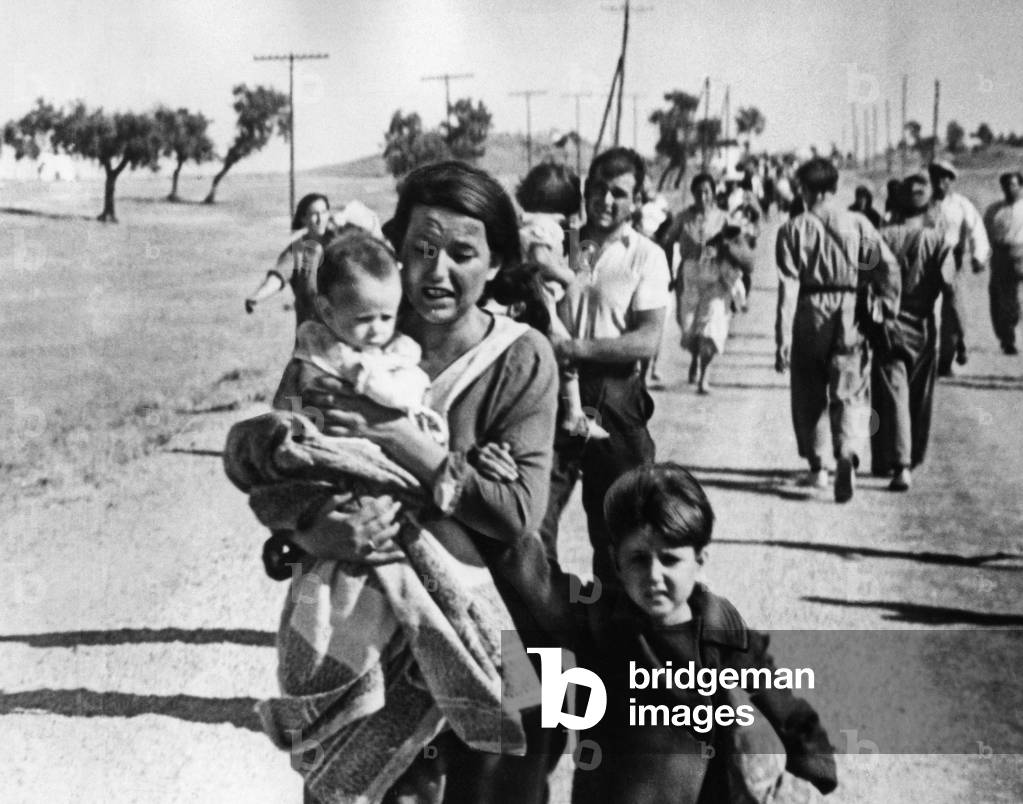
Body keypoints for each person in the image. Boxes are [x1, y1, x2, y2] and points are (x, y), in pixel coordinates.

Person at [268, 161, 571, 804]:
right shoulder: (352, 337)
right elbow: (277, 460)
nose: (437, 272)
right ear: (394, 251)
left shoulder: (520, 357)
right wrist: (316, 526)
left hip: (499, 629)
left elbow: (515, 514)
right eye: (421, 250)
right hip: (369, 629)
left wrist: (401, 439)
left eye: (463, 253)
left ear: (495, 264)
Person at [570, 463, 838, 803]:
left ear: (700, 559)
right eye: (638, 558)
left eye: (670, 559)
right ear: (616, 561)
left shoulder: (725, 642)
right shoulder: (599, 627)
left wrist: (813, 778)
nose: (654, 575)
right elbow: (524, 570)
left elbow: (791, 714)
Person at [540, 147, 671, 585]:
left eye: (619, 193)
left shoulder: (646, 255)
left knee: (622, 531)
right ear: (585, 190)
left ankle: (616, 641)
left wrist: (576, 347)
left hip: (615, 398)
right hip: (553, 395)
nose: (607, 200)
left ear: (636, 200)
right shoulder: (563, 245)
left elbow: (646, 339)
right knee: (531, 525)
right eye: (598, 189)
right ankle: (549, 637)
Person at [775, 158, 900, 502]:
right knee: (852, 388)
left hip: (809, 310)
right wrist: (887, 310)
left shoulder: (792, 229)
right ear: (833, 189)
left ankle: (819, 468)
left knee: (809, 389)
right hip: (850, 310)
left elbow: (788, 286)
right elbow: (885, 268)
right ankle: (847, 451)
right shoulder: (857, 224)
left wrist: (782, 338)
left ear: (802, 190)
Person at [510, 162, 609, 439]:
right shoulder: (547, 227)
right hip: (542, 301)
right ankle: (574, 415)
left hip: (524, 299)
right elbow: (541, 259)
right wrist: (567, 277)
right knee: (566, 354)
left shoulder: (524, 222)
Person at [870, 175, 956, 491]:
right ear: (928, 205)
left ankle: (896, 462)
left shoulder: (876, 237)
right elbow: (951, 291)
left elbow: (861, 280)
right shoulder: (940, 241)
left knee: (893, 395)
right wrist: (955, 337)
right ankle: (906, 462)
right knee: (917, 400)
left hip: (888, 327)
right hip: (923, 328)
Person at [244, 193, 384, 325]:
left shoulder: (341, 241)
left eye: (323, 213)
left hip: (344, 329)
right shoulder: (298, 248)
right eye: (313, 214)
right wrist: (257, 297)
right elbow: (278, 276)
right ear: (303, 219)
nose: (319, 219)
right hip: (311, 332)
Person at [924, 160, 991, 375]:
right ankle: (926, 361)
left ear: (952, 181)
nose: (941, 182)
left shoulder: (961, 204)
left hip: (953, 261)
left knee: (954, 311)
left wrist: (979, 256)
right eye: (937, 177)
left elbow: (977, 230)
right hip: (926, 262)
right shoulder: (924, 204)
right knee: (926, 312)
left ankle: (949, 356)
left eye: (946, 178)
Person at [661, 173, 729, 383]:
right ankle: (695, 357)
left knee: (709, 324)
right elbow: (667, 241)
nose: (703, 196)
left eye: (707, 192)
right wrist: (669, 272)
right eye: (698, 192)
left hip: (713, 275)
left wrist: (723, 256)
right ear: (693, 194)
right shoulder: (683, 217)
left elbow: (736, 245)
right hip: (688, 273)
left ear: (713, 194)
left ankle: (704, 374)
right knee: (688, 325)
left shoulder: (723, 218)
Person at [984, 170, 1023, 355]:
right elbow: (985, 235)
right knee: (1001, 299)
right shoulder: (994, 210)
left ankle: (1013, 328)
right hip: (1001, 256)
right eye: (1006, 185)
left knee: (1016, 301)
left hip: (1021, 254)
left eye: (1013, 185)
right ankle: (1007, 339)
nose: (1009, 189)